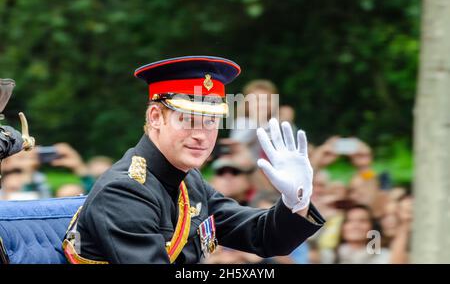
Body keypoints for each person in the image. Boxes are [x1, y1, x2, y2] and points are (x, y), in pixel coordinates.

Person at [63, 56, 324, 264]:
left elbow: (263, 237)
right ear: (155, 117)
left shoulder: (188, 182)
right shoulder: (123, 191)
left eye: (211, 121)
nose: (201, 135)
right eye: (188, 119)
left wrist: (296, 201)